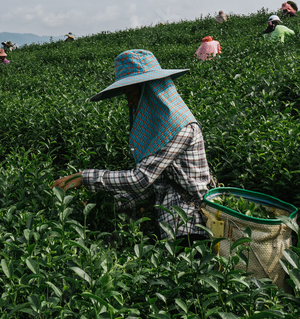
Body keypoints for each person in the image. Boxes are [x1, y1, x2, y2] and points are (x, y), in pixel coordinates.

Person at [53, 49, 213, 245]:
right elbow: (154, 181)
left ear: (149, 90)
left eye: (131, 93)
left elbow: (141, 178)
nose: (128, 101)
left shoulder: (180, 128)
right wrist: (108, 205)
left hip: (188, 224)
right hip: (167, 215)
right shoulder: (161, 127)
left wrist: (84, 178)